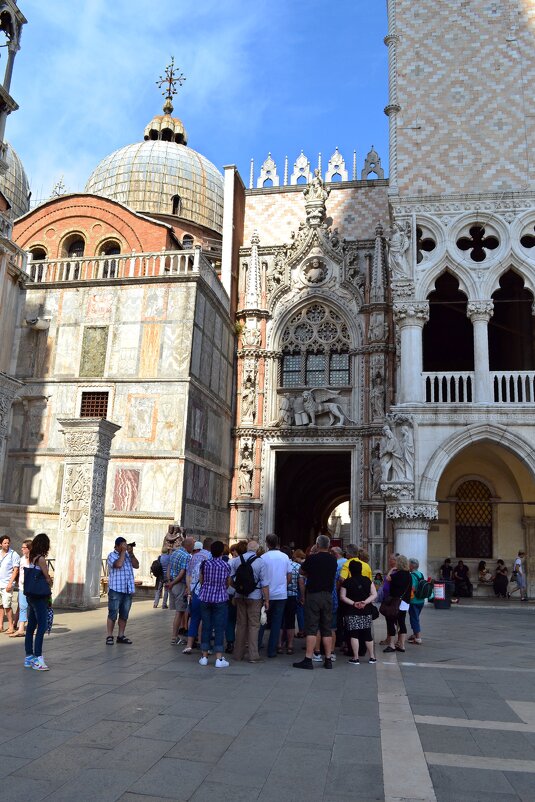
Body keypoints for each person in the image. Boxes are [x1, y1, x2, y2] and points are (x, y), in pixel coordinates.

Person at [293, 534, 338, 670]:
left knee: (312, 627)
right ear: (328, 546)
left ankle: (308, 659)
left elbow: (301, 571)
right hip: (328, 596)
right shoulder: (333, 560)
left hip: (313, 595)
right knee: (327, 628)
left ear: (317, 545)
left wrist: (311, 573)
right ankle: (328, 659)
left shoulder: (312, 558)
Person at [230, 539, 269, 663]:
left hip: (239, 595)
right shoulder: (260, 562)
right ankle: (253, 656)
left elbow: (230, 579)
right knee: (253, 626)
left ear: (247, 548)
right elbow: (265, 584)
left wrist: (238, 589)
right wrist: (267, 600)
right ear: (257, 550)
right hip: (254, 596)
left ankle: (238, 654)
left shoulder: (236, 560)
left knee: (241, 625)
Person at [198, 540, 231, 668]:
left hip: (205, 597)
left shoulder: (205, 564)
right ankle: (219, 658)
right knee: (219, 627)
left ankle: (204, 656)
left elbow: (201, 580)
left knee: (206, 626)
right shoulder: (226, 565)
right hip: (220, 599)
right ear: (222, 552)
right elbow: (227, 583)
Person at [24, 533, 53, 670]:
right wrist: (50, 582)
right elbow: (47, 577)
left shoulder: (32, 556)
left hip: (31, 595)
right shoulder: (41, 559)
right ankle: (38, 658)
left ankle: (29, 657)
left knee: (31, 626)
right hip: (40, 597)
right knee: (42, 626)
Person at [340, 560, 377, 664]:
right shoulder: (367, 580)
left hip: (352, 611)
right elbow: (374, 594)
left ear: (350, 570)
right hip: (366, 610)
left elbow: (342, 597)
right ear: (361, 569)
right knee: (367, 633)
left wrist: (354, 603)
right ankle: (372, 657)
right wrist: (365, 602)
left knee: (354, 634)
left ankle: (355, 658)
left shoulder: (347, 582)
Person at [259, 534, 291, 658]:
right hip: (281, 595)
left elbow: (260, 576)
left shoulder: (263, 557)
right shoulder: (285, 557)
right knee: (277, 623)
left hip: (266, 594)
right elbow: (289, 575)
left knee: (262, 620)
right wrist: (283, 585)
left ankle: (257, 646)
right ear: (277, 543)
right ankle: (272, 650)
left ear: (267, 543)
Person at [106, 537, 139, 645]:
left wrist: (131, 553)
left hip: (127, 589)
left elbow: (136, 565)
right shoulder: (112, 555)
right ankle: (109, 636)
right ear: (117, 546)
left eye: (126, 545)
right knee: (113, 613)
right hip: (116, 589)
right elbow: (118, 565)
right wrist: (124, 552)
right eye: (123, 545)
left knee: (124, 614)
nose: (125, 547)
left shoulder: (128, 555)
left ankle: (121, 635)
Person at [182, 539, 212, 654]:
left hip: (195, 593)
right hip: (206, 593)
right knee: (205, 620)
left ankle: (189, 645)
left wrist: (189, 590)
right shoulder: (209, 556)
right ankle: (202, 644)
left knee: (194, 618)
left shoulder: (192, 558)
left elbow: (188, 576)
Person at [167, 536, 194, 644]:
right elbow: (183, 572)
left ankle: (177, 636)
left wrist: (169, 581)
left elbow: (169, 567)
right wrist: (173, 583)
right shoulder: (187, 556)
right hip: (179, 585)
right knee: (180, 612)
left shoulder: (175, 552)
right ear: (188, 546)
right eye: (192, 545)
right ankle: (174, 637)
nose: (193, 547)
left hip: (172, 585)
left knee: (179, 612)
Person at [382, 554, 412, 653]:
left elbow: (387, 578)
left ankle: (391, 644)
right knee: (402, 622)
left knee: (391, 621)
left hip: (395, 601)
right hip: (405, 602)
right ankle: (402, 645)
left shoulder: (397, 574)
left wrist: (392, 569)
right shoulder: (409, 575)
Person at [279, 548, 300, 654]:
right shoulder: (297, 566)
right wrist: (302, 596)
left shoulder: (279, 565)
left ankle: (279, 645)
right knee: (290, 621)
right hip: (292, 595)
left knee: (279, 620)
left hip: (279, 595)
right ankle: (290, 645)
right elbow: (301, 582)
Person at [9, 539, 32, 638]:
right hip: (22, 587)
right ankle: (21, 629)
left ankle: (33, 626)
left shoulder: (35, 560)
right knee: (22, 607)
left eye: (24, 547)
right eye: (22, 547)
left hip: (32, 589)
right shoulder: (22, 559)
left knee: (32, 608)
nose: (22, 549)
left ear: (29, 548)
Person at [0, 534, 20, 635]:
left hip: (7, 584)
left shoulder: (13, 554)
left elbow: (16, 570)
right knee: (0, 605)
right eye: (5, 543)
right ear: (0, 544)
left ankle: (11, 626)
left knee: (7, 605)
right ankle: (0, 626)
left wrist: (10, 583)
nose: (7, 544)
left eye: (8, 543)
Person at [408, 557, 425, 645]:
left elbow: (413, 588)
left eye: (408, 564)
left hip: (414, 601)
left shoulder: (412, 575)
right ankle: (415, 634)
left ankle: (418, 638)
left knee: (414, 619)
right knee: (416, 617)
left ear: (411, 565)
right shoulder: (420, 574)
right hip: (421, 600)